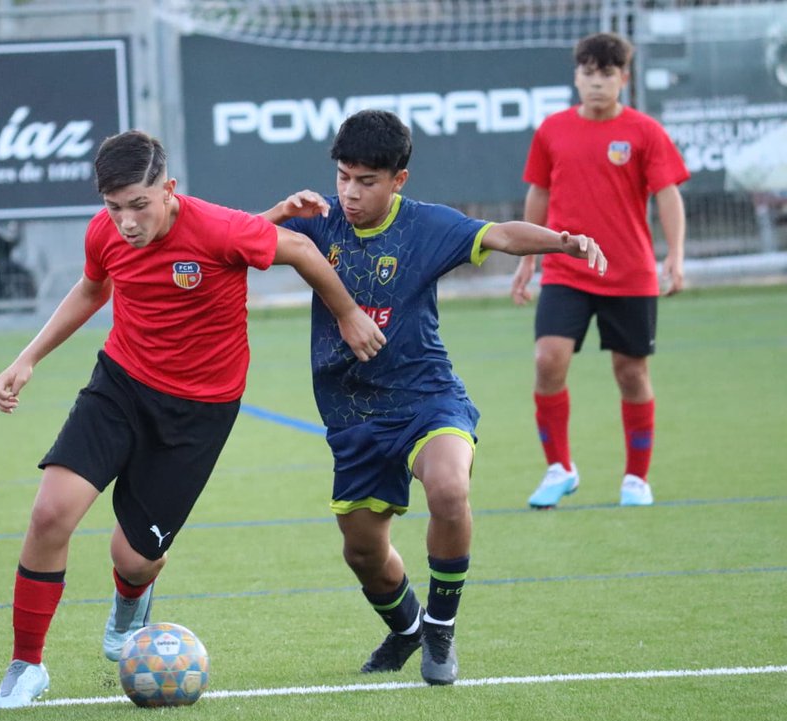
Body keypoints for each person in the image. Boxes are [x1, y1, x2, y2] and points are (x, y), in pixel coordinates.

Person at [0, 129, 385, 709]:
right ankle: (27, 666)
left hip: (200, 411)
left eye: (139, 205)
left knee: (133, 557)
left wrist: (347, 314)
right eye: (113, 207)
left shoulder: (221, 227)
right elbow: (91, 289)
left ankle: (130, 604)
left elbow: (297, 250)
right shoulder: (107, 231)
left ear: (168, 190)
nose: (125, 222)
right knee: (50, 514)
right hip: (120, 386)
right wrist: (28, 359)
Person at [262, 109, 605, 685]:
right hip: (352, 412)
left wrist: (561, 242)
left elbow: (500, 235)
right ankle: (406, 629)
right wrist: (275, 215)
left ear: (399, 179)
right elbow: (227, 246)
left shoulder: (425, 225)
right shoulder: (317, 222)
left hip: (427, 394)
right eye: (344, 176)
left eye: (366, 181)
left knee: (449, 487)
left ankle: (440, 632)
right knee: (364, 554)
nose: (349, 192)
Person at [511, 32, 689, 509]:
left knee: (630, 373)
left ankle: (636, 479)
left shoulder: (644, 132)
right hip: (568, 270)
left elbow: (668, 194)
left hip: (630, 274)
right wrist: (529, 258)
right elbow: (539, 195)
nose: (596, 83)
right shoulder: (552, 130)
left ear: (623, 79)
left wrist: (674, 255)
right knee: (548, 360)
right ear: (576, 77)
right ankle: (559, 468)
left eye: (607, 74)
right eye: (588, 73)